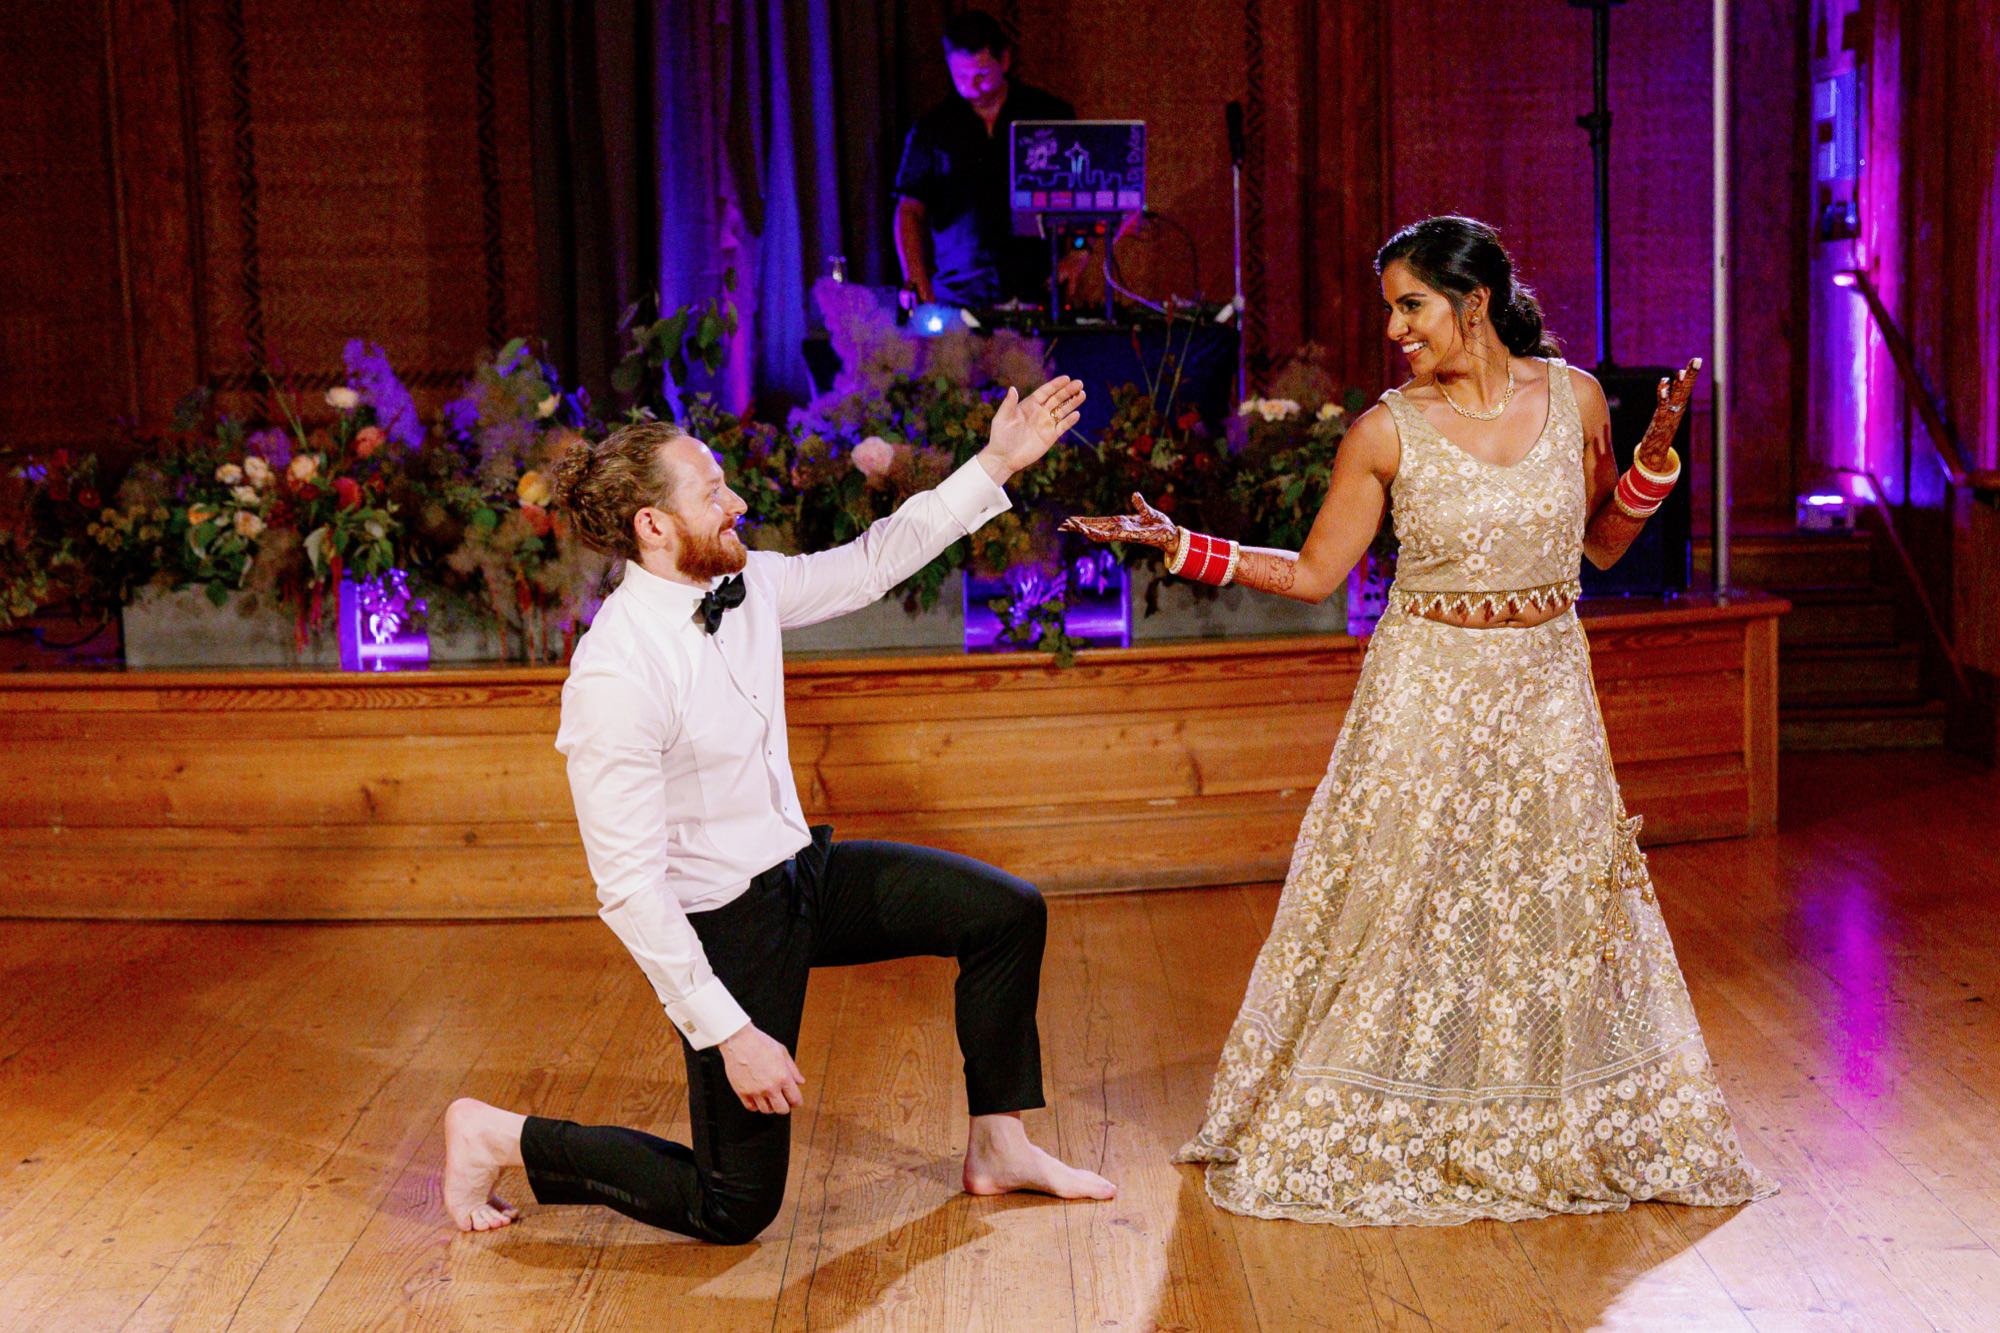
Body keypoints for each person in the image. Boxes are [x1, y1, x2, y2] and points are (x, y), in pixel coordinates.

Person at [1062, 216, 1777, 1225]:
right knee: (1404, 905)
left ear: (1472, 302)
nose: (1394, 328)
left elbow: (1601, 550)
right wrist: (1180, 546)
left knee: (1556, 900)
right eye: (1390, 308)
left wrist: (1651, 463)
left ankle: (1534, 1118)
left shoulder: (1571, 397)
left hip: (1545, 691)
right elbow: (1315, 576)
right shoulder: (1384, 429)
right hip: (1423, 691)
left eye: (1411, 305)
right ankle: (1396, 1106)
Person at [441, 374, 1117, 1240]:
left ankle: (999, 1143)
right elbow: (631, 892)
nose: (740, 501)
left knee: (1004, 914)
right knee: (733, 1207)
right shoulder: (615, 675)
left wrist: (994, 463)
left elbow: (873, 562)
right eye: (714, 492)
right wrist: (731, 1032)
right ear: (653, 525)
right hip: (725, 926)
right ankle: (495, 1132)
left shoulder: (747, 582)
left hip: (802, 874)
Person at [894, 11, 1074, 308]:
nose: (971, 88)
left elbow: (1087, 193)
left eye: (981, 76)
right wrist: (915, 278)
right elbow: (909, 210)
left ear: (1004, 61)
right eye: (960, 77)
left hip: (1035, 288)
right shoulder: (933, 129)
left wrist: (1079, 253)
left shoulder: (1049, 115)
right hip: (958, 292)